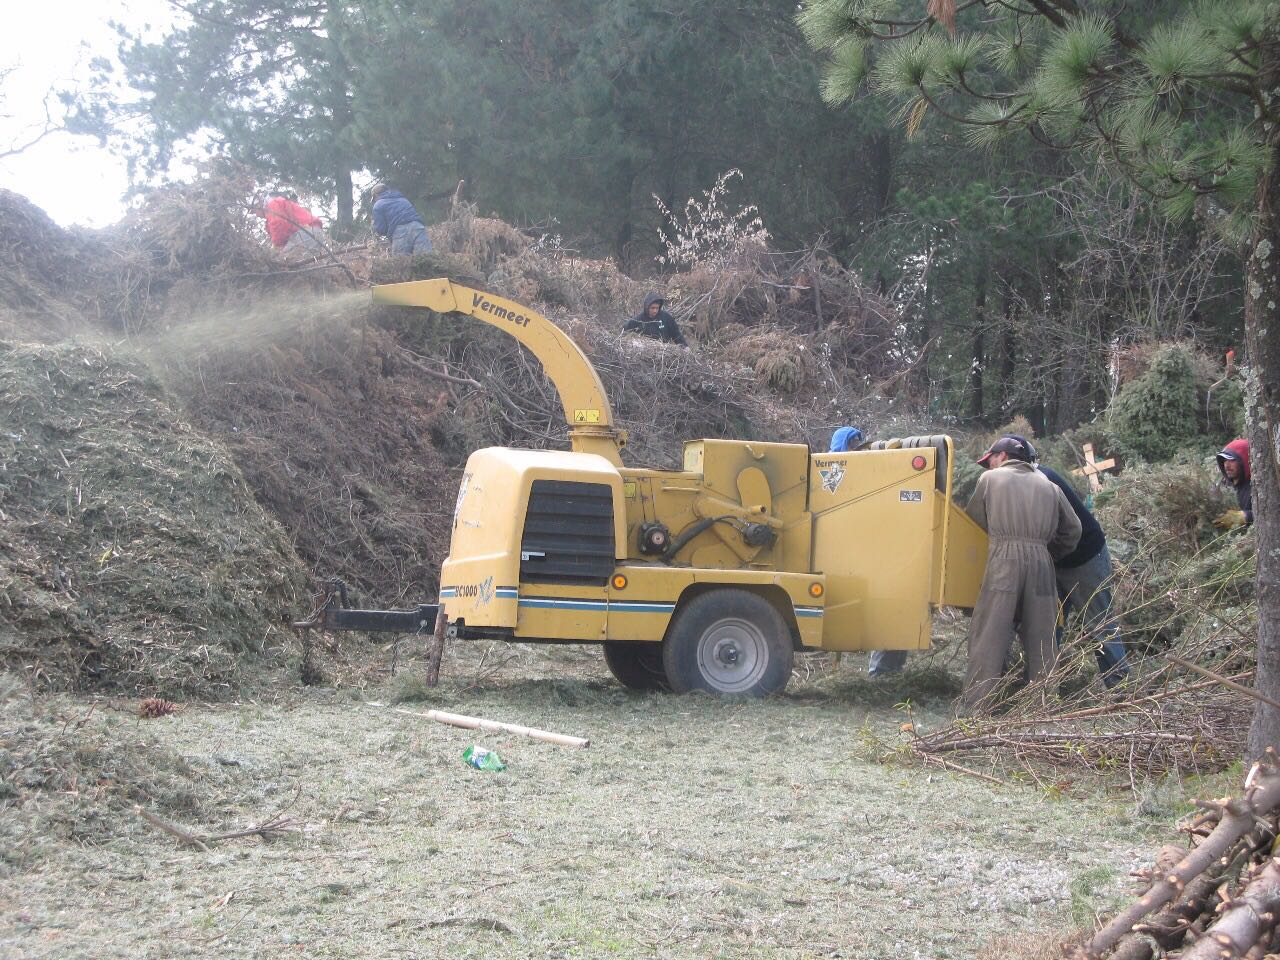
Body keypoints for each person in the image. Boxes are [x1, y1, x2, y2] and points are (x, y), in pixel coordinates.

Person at [962, 436, 1082, 712]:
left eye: (989, 460)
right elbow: (1073, 530)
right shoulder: (1050, 486)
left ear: (1002, 457)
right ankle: (1042, 705)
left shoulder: (990, 481)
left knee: (990, 633)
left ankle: (978, 708)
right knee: (1042, 637)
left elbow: (975, 519)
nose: (987, 466)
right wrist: (1049, 552)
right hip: (1042, 562)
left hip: (1004, 558)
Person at [1005, 435, 1130, 689]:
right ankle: (1041, 686)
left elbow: (1070, 531)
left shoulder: (1042, 481)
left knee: (1099, 623)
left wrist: (1049, 557)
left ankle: (1120, 688)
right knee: (1046, 624)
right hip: (1057, 561)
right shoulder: (1018, 484)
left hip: (1084, 559)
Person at [371, 184, 433, 255]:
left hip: (400, 233)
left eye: (374, 199)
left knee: (401, 263)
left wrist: (375, 227)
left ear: (376, 195)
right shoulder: (403, 199)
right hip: (418, 227)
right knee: (427, 259)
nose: (374, 201)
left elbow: (381, 229)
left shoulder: (378, 205)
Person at [1214, 438, 1253, 529]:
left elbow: (1272, 513)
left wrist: (1245, 517)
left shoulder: (1258, 486)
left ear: (1244, 460)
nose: (1227, 466)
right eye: (1224, 461)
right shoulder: (1222, 485)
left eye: (1231, 460)